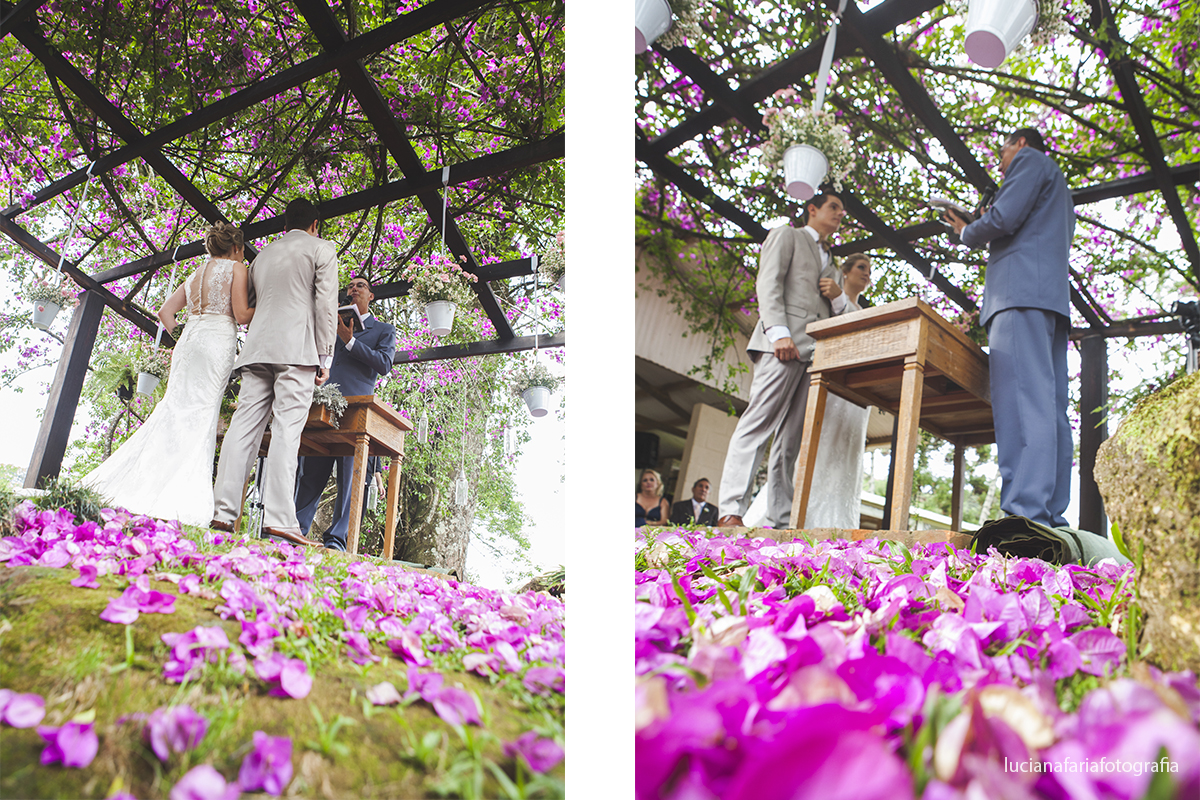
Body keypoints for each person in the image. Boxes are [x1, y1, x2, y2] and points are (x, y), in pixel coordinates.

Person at [82, 222, 254, 525]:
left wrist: (185, 336)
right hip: (216, 341)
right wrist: (272, 306)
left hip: (189, 343)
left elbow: (165, 313)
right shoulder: (237, 269)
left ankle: (144, 482)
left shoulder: (196, 273)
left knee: (174, 408)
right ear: (237, 248)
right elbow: (241, 315)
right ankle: (179, 494)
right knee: (202, 411)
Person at [944, 127, 1074, 528]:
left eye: (1003, 152)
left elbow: (1005, 217)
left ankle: (1024, 513)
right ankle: (1050, 513)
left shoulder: (1029, 161)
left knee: (1021, 401)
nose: (1001, 163)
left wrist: (967, 231)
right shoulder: (1060, 188)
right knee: (1049, 406)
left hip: (1017, 295)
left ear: (1019, 144)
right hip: (1048, 299)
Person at [210, 198, 339, 545]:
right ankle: (280, 520)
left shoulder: (262, 256)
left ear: (284, 226)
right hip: (297, 350)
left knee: (243, 429)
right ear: (315, 225)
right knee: (286, 431)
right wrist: (325, 355)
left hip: (257, 349)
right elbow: (325, 304)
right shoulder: (322, 249)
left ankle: (223, 514)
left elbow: (250, 303)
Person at [716, 192, 845, 528]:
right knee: (758, 423)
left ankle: (781, 519)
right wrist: (778, 333)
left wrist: (837, 294)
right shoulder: (787, 235)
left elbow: (840, 313)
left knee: (791, 441)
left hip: (815, 355)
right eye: (834, 207)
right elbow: (768, 282)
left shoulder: (833, 263)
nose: (839, 213)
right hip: (782, 344)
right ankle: (730, 510)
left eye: (842, 210)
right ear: (812, 209)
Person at [293, 276, 396, 551]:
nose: (353, 289)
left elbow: (385, 363)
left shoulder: (383, 330)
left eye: (360, 285)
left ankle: (338, 540)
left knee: (352, 479)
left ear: (371, 296)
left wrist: (350, 341)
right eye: (350, 286)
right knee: (309, 471)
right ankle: (295, 529)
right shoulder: (331, 325)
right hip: (322, 405)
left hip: (356, 410)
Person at [807, 253, 874, 528]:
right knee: (824, 447)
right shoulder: (833, 301)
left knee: (848, 453)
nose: (866, 273)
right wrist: (838, 298)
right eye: (861, 267)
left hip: (859, 397)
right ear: (844, 272)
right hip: (834, 386)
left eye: (869, 270)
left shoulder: (866, 312)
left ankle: (841, 522)